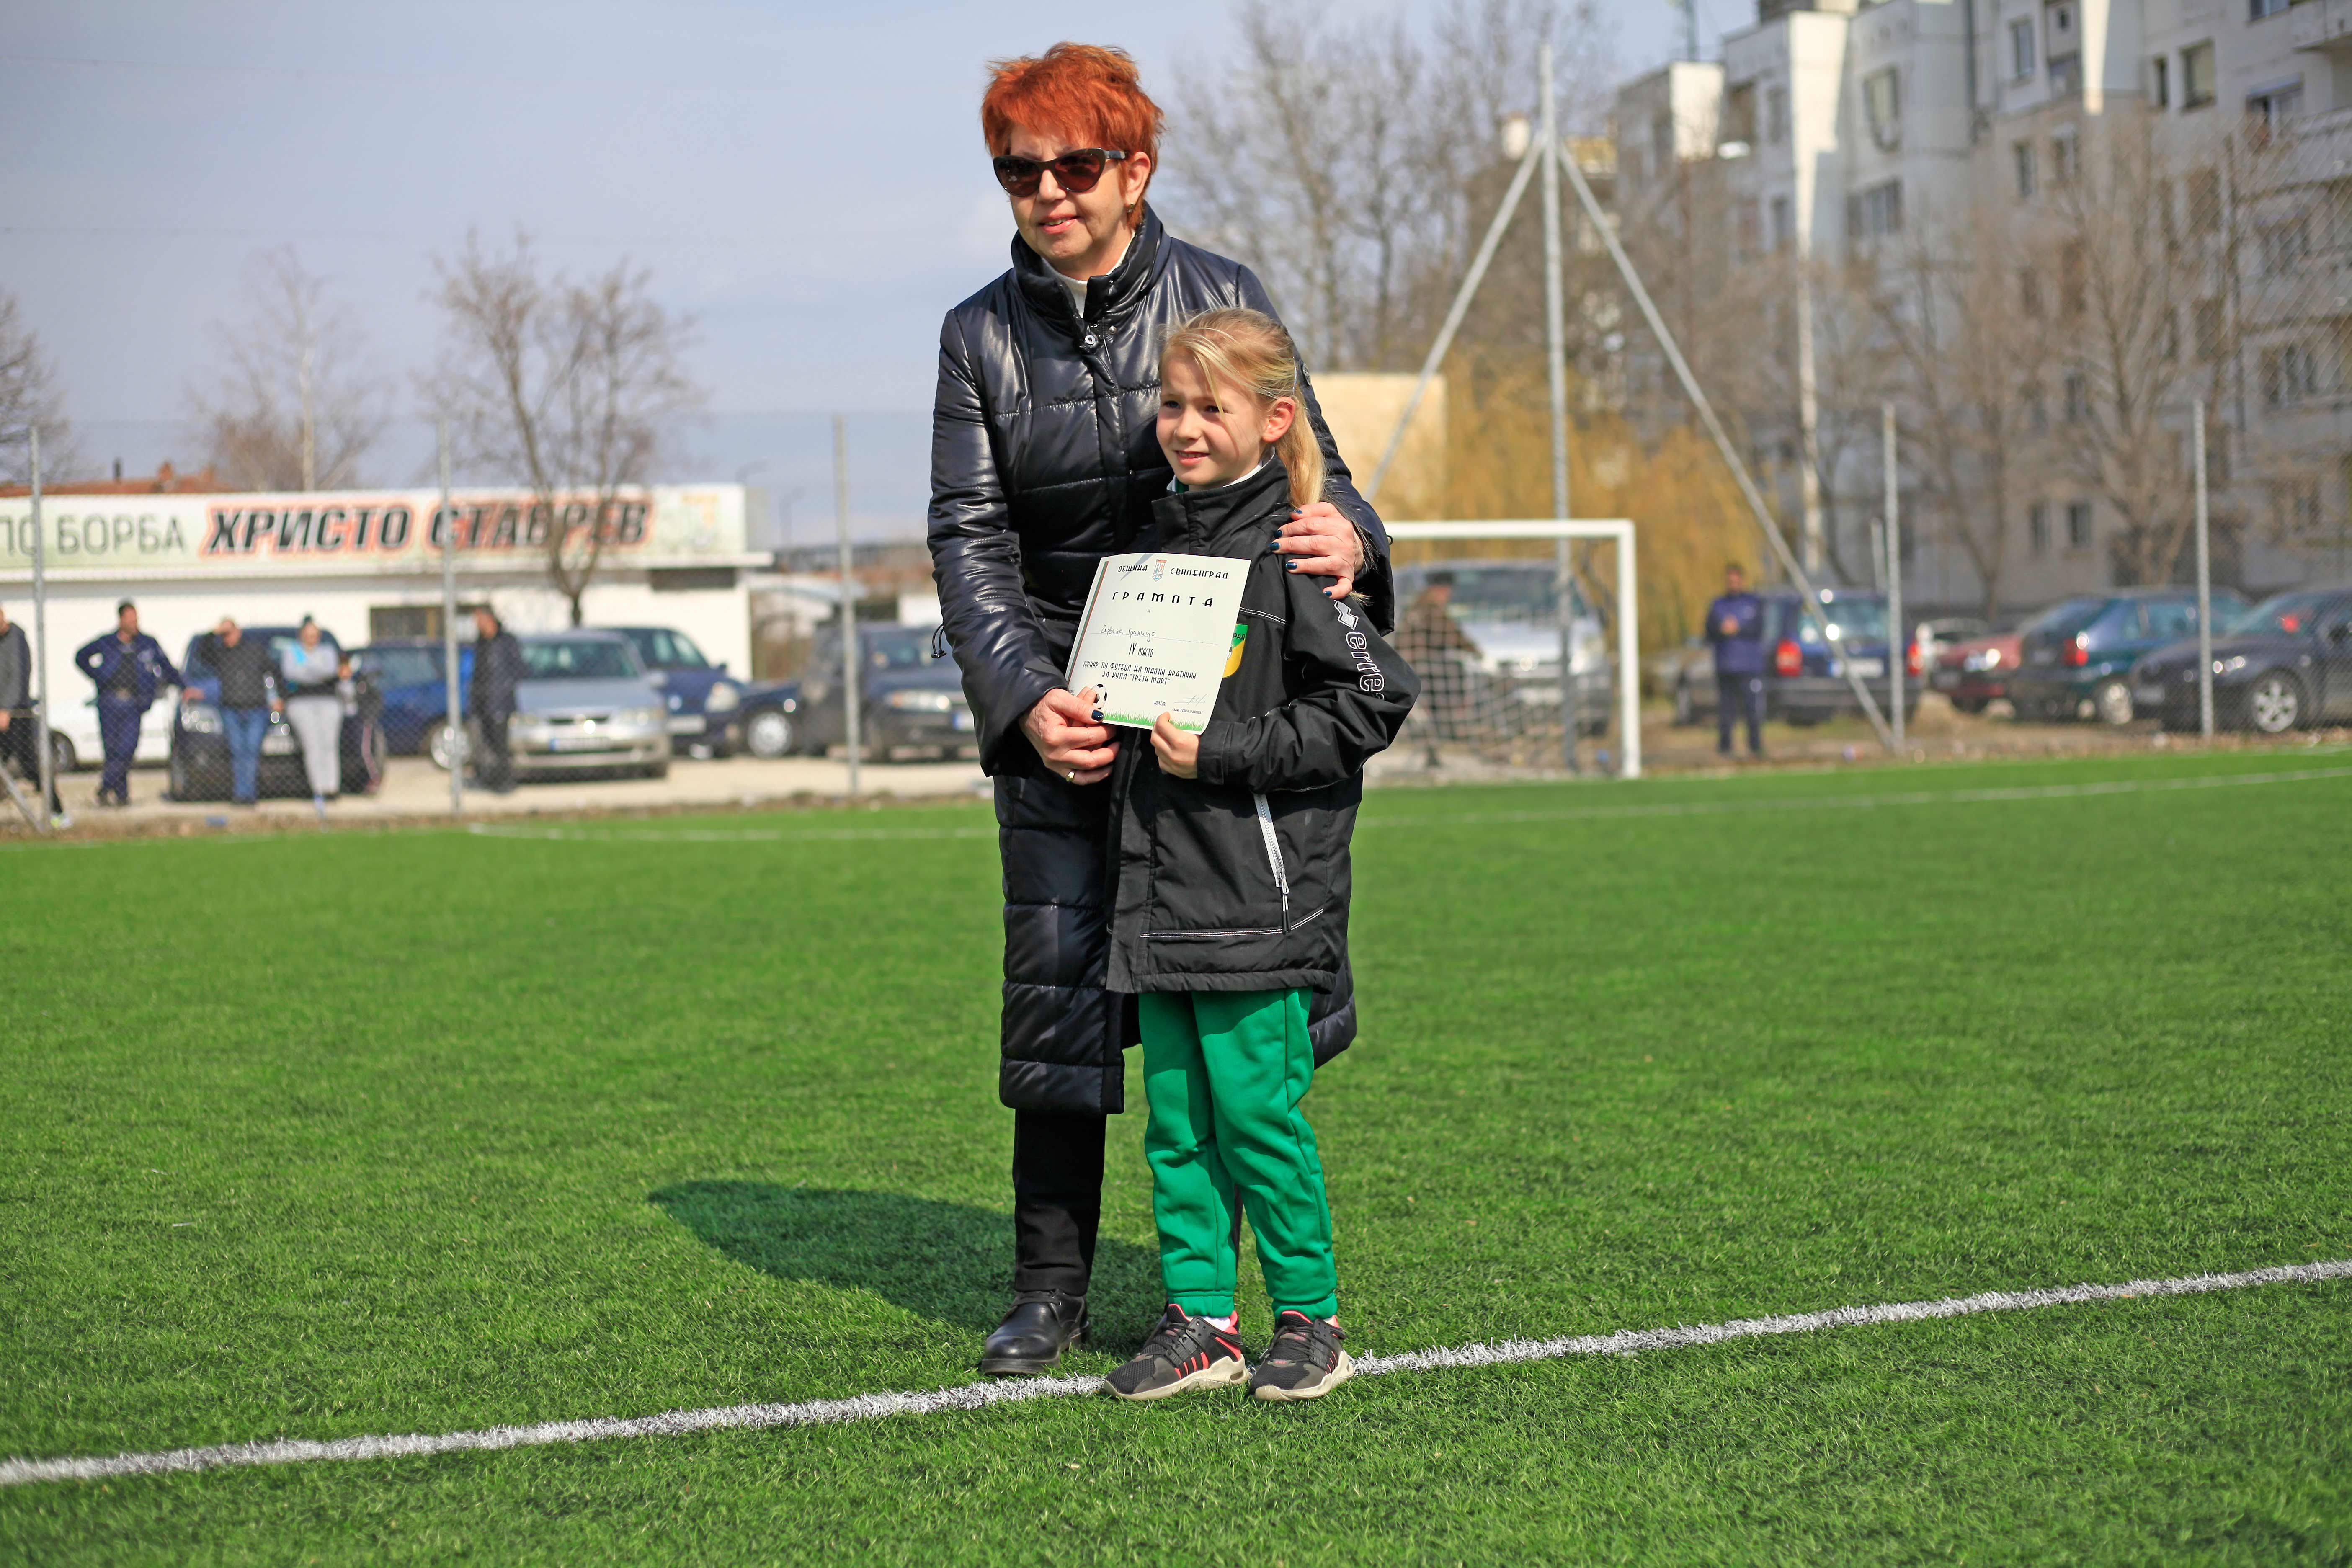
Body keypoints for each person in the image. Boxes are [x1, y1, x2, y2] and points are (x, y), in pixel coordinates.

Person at [926, 42, 1394, 1377]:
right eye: (1018, 171)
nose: (1047, 192)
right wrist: (1026, 698)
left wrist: (1357, 540)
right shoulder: (977, 335)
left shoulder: (1221, 292)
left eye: (1075, 165)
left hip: (1217, 722)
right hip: (1065, 717)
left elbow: (1318, 470)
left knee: (1230, 1023)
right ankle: (1048, 1289)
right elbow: (970, 536)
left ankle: (1265, 1303)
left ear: (1135, 169)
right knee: (1058, 993)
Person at [1097, 309, 1416, 1404]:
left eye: (1211, 407)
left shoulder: (1295, 551)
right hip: (1160, 897)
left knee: (1257, 1121)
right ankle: (1203, 1321)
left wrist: (1225, 753)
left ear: (1276, 420)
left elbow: (1373, 700)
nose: (1184, 426)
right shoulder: (1149, 554)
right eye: (1171, 405)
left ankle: (1311, 1320)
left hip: (1258, 904)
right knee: (1179, 1129)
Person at [73, 600, 185, 807]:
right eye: (131, 619)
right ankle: (121, 796)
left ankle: (105, 787)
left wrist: (183, 686)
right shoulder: (107, 642)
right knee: (113, 751)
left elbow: (166, 667)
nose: (135, 623)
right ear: (121, 620)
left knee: (127, 749)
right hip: (109, 702)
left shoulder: (147, 643)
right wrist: (99, 676)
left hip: (134, 703)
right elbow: (81, 657)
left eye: (136, 619)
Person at [1395, 571, 1485, 766]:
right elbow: (1451, 635)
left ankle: (1433, 745)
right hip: (1425, 670)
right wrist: (1476, 652)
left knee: (1427, 712)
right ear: (1441, 589)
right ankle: (1446, 733)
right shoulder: (1431, 608)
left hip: (1410, 668)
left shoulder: (1417, 606)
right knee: (1439, 704)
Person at [191, 618, 278, 807]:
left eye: (230, 633)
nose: (227, 638)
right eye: (224, 635)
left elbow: (275, 671)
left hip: (256, 709)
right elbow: (202, 652)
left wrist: (279, 698)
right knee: (238, 752)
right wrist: (214, 632)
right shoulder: (220, 654)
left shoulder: (255, 650)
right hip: (231, 711)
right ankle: (241, 795)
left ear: (238, 631)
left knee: (251, 751)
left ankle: (250, 794)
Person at [0, 601, 68, 823]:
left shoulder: (16, 639)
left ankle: (58, 813)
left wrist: (6, 710)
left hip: (16, 716)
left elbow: (18, 678)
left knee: (30, 766)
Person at [278, 617, 342, 821]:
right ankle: (318, 788)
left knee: (328, 744)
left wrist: (307, 670)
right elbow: (292, 674)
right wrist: (317, 672)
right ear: (301, 635)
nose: (311, 637)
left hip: (328, 702)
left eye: (314, 634)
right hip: (301, 702)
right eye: (308, 634)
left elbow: (330, 671)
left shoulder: (328, 651)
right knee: (312, 744)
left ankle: (332, 787)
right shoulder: (293, 652)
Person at [1706, 564, 1767, 758]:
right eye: (1730, 580)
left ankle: (1755, 747)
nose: (1733, 583)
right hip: (1726, 666)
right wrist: (1721, 630)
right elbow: (1708, 632)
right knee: (1726, 710)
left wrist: (1738, 628)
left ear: (1741, 580)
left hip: (1749, 666)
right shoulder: (1718, 605)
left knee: (1752, 708)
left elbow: (1759, 629)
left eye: (1736, 580)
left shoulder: (1752, 603)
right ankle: (1725, 748)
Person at [469, 606, 524, 794]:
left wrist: (505, 688)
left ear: (489, 619)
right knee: (486, 745)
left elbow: (519, 669)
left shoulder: (506, 642)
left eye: (479, 619)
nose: (477, 624)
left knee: (501, 746)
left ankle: (505, 782)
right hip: (483, 703)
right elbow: (478, 673)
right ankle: (489, 779)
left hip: (501, 703)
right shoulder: (481, 643)